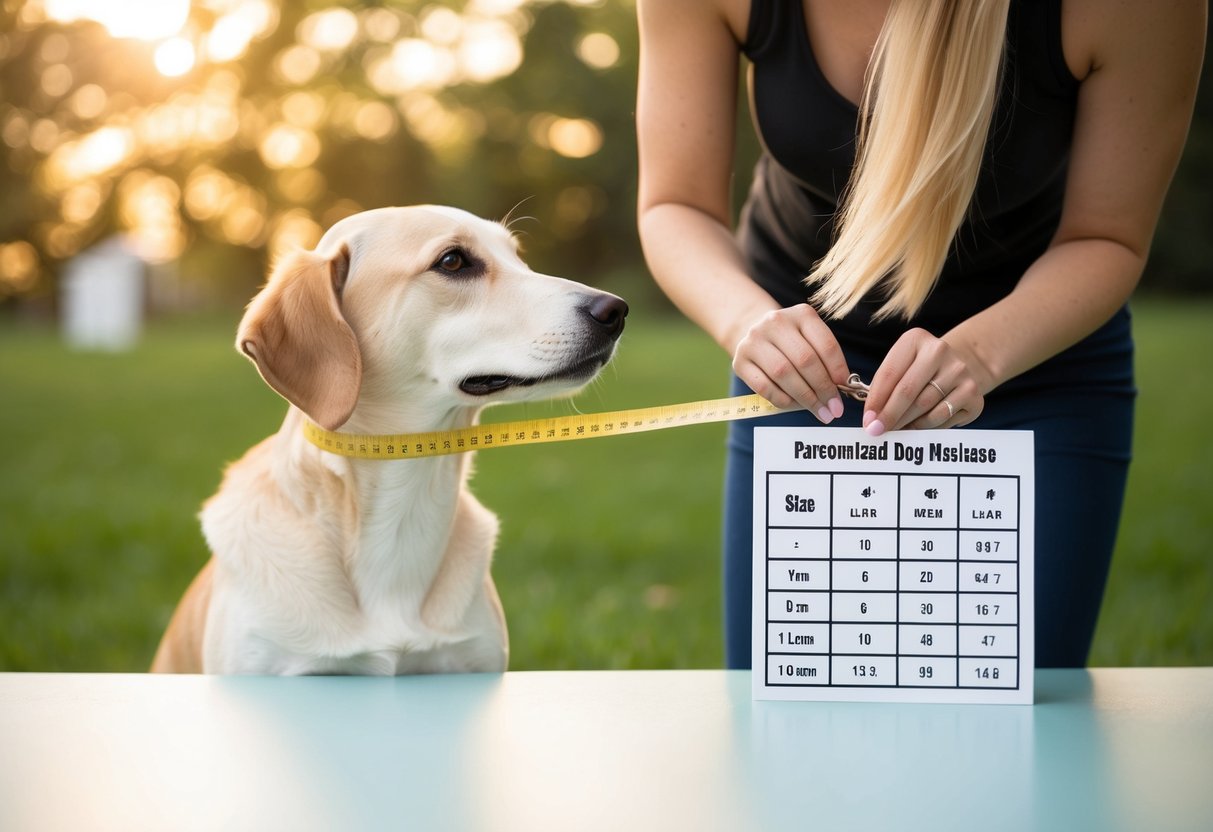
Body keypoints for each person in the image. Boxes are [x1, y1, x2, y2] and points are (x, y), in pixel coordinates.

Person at [635, 0, 1206, 668]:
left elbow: (1106, 236)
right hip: (801, 369)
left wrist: (981, 355)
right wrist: (746, 323)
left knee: (1021, 725)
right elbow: (676, 204)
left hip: (1034, 359)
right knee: (789, 708)